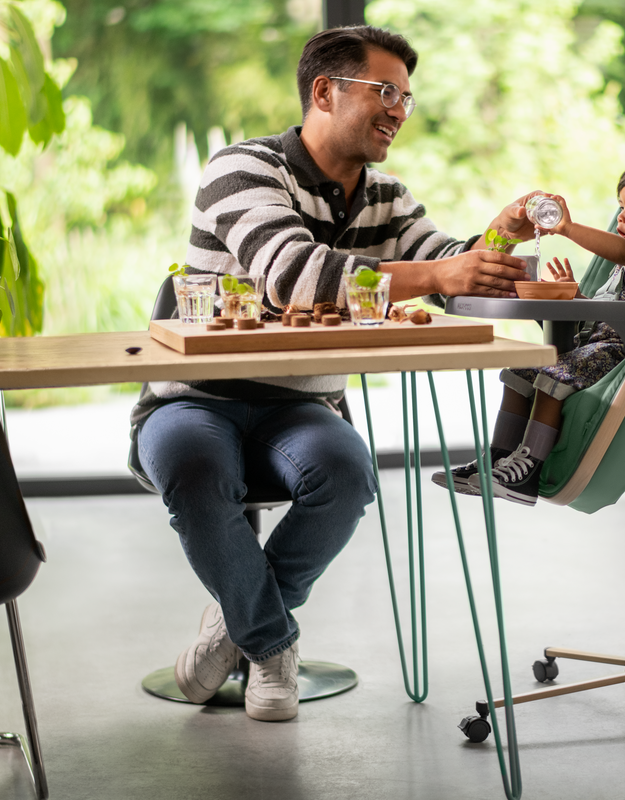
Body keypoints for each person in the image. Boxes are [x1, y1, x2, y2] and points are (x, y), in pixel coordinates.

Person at [132, 25, 534, 722]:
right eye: (385, 92)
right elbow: (294, 276)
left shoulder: (387, 197)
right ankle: (271, 645)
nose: (399, 110)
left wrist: (496, 239)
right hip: (191, 399)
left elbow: (446, 268)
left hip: (299, 408)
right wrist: (442, 274)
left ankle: (235, 629)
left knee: (347, 476)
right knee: (195, 470)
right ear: (325, 91)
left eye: (406, 97)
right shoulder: (243, 168)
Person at [432, 155, 625, 506]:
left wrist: (567, 228)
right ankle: (498, 459)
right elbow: (613, 309)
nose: (620, 216)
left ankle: (528, 469)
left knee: (554, 371)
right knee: (522, 369)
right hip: (601, 343)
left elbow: (622, 251)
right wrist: (576, 297)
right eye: (620, 206)